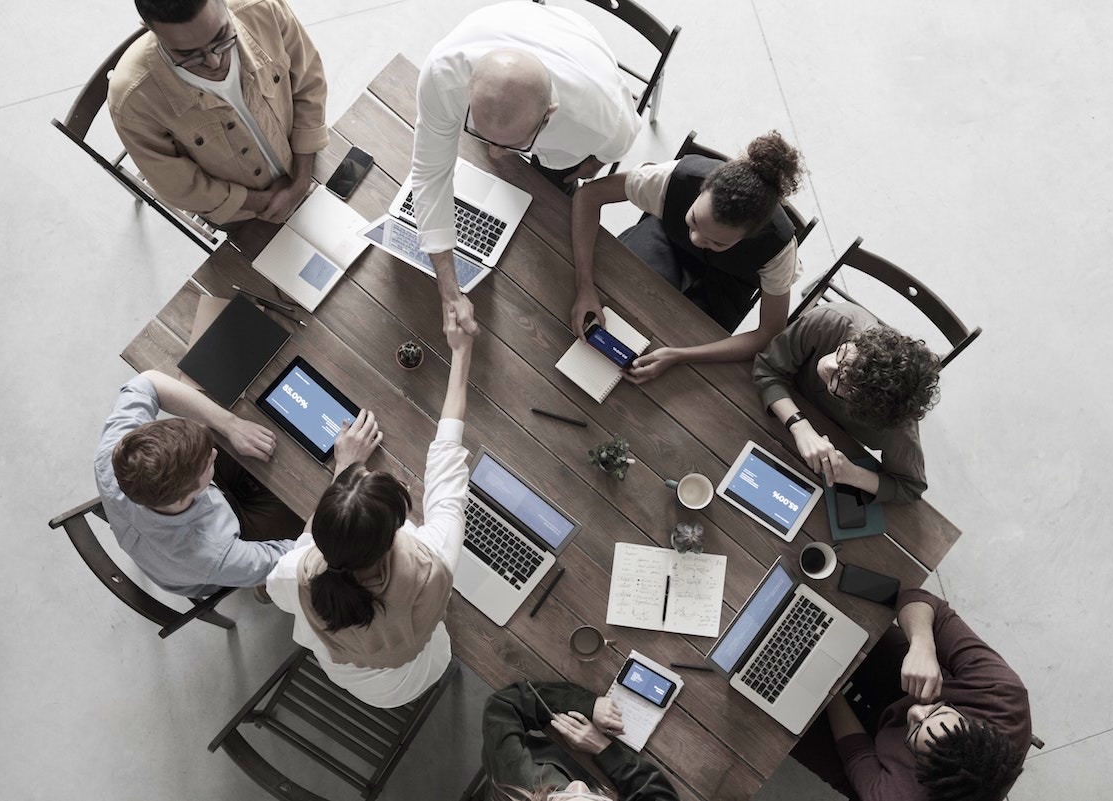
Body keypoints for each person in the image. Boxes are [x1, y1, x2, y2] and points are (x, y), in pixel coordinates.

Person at [267, 311, 476, 707]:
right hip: (420, 670)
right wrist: (462, 354)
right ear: (394, 534)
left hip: (363, 686)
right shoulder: (433, 561)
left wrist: (342, 470)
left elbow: (295, 565)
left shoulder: (296, 573)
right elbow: (448, 464)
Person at [413, 1, 641, 335]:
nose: (492, 153)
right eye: (481, 133)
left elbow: (611, 150)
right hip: (512, 24)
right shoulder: (441, 75)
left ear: (549, 114)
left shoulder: (603, 121)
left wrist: (586, 168)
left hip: (577, 49)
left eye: (509, 144)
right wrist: (449, 289)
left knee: (554, 206)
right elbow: (430, 175)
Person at [572, 131, 807, 381]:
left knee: (685, 347)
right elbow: (588, 196)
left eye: (717, 241)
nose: (696, 239)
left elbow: (768, 333)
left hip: (730, 280)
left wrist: (680, 355)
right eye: (694, 220)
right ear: (702, 189)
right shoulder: (673, 179)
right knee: (618, 297)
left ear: (750, 236)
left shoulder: (778, 249)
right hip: (667, 239)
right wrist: (584, 285)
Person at [789, 590, 1031, 801]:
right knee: (845, 615)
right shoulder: (1001, 694)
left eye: (916, 728)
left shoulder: (899, 795)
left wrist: (827, 685)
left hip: (872, 760)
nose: (915, 711)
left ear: (920, 769)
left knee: (783, 718)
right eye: (937, 710)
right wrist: (922, 645)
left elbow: (856, 751)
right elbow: (919, 599)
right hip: (907, 682)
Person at [109, 0, 328, 225]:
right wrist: (265, 202)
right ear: (148, 27)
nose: (214, 62)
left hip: (307, 161)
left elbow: (309, 83)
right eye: (189, 55)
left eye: (222, 37)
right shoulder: (132, 101)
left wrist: (300, 182)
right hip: (244, 215)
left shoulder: (262, 8)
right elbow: (179, 186)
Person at [94, 370, 302, 599]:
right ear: (187, 495)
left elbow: (148, 380)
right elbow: (298, 560)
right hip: (212, 561)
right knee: (308, 514)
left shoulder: (117, 453)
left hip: (169, 533)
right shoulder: (212, 555)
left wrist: (231, 425)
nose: (213, 452)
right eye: (208, 462)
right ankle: (264, 589)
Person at [752, 302, 941, 503]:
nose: (827, 365)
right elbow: (767, 368)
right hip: (771, 413)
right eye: (842, 355)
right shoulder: (831, 321)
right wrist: (800, 426)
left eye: (838, 382)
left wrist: (852, 474)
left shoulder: (896, 425)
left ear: (860, 407)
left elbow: (910, 487)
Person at [482, 680, 680, 801]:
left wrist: (586, 705)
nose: (578, 785)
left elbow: (503, 707)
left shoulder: (517, 781)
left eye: (562, 798)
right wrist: (603, 748)